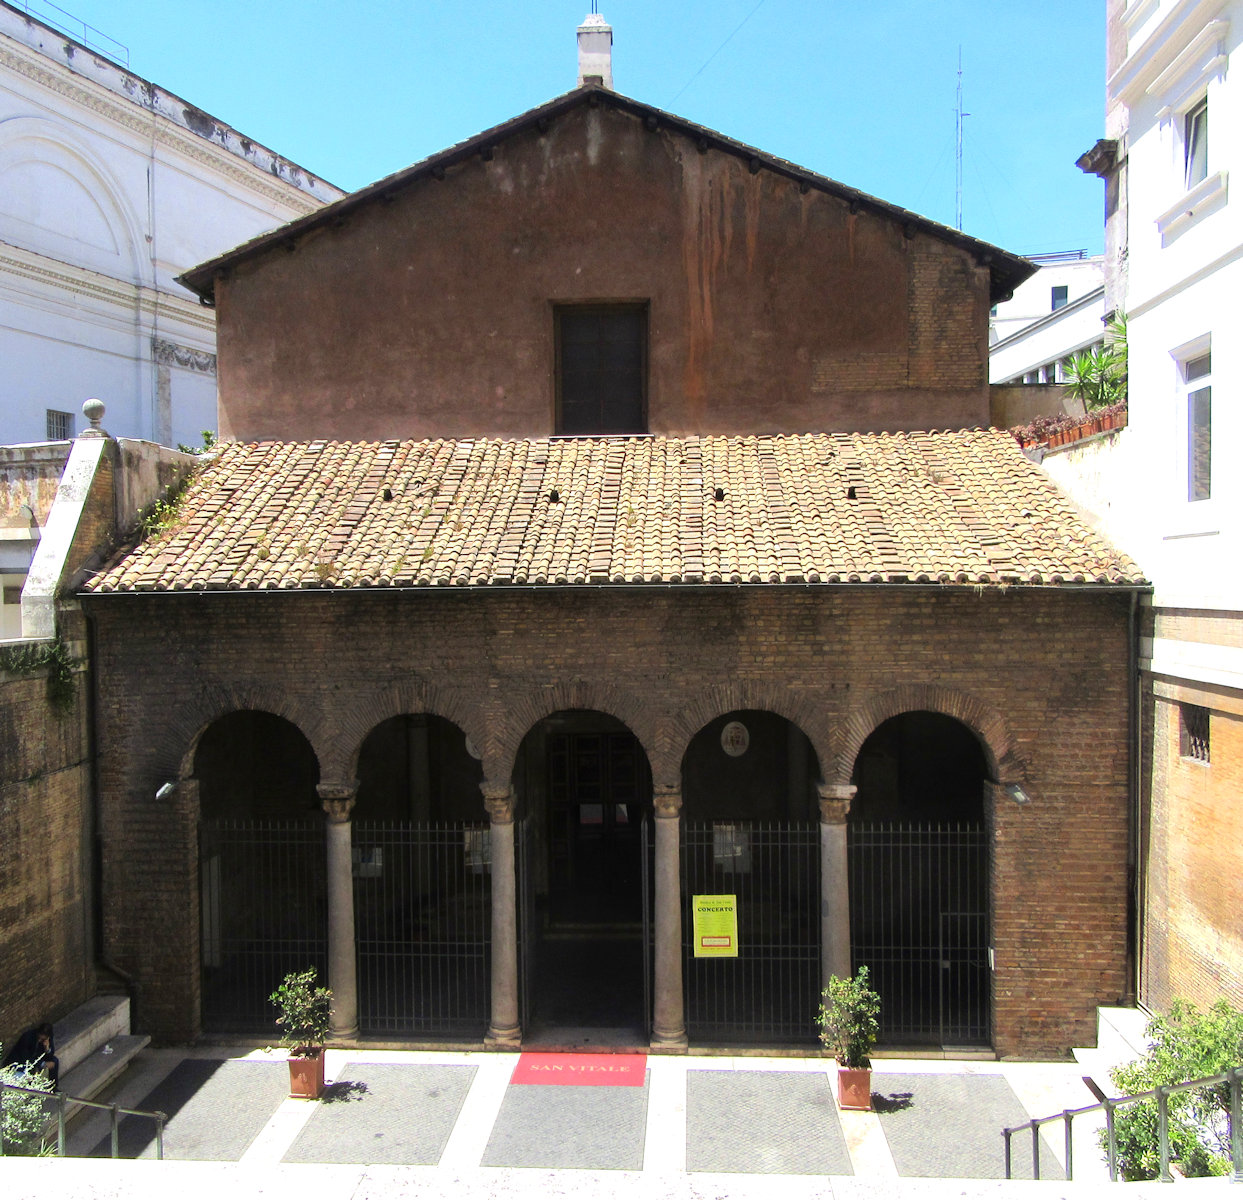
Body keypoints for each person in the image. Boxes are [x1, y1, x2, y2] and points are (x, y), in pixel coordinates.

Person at [3, 1022, 58, 1090]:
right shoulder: (28, 1036)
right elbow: (25, 1057)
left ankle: (53, 1087)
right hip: (21, 1061)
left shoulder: (48, 1039)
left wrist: (47, 1049)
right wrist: (42, 1064)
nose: (40, 1040)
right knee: (29, 1073)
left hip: (36, 1058)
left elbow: (50, 1055)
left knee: (55, 1060)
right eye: (39, 1038)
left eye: (42, 1039)